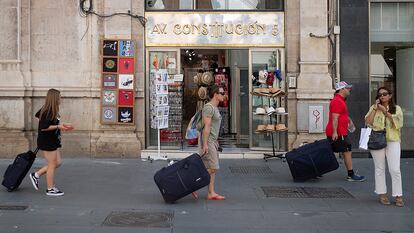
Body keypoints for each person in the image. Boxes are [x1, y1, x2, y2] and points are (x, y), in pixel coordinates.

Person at [29, 89, 73, 196]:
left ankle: (36, 175)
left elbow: (38, 116)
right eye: (59, 97)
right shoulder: (48, 110)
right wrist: (58, 126)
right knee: (52, 165)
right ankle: (50, 189)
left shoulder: (50, 109)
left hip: (52, 140)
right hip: (47, 141)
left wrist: (62, 125)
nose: (61, 98)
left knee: (57, 162)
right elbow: (44, 127)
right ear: (55, 98)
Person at [365, 87, 404, 207]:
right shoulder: (374, 108)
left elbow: (398, 124)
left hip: (392, 140)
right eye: (380, 94)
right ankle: (382, 194)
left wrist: (385, 112)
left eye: (385, 94)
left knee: (395, 169)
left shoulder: (396, 109)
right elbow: (368, 122)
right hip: (377, 140)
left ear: (390, 96)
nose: (382, 96)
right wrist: (376, 109)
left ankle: (398, 195)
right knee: (379, 169)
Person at [326, 81, 365, 181]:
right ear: (342, 89)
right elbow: (335, 118)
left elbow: (341, 115)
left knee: (330, 151)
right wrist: (335, 132)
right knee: (347, 151)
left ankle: (314, 168)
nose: (349, 89)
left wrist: (349, 120)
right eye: (347, 88)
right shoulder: (338, 101)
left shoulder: (340, 100)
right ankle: (351, 175)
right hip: (339, 133)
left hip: (340, 131)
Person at [199, 85, 226, 200]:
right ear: (215, 94)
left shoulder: (215, 108)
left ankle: (211, 193)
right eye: (221, 93)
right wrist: (205, 144)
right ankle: (193, 181)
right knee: (214, 167)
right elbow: (207, 127)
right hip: (208, 141)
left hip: (213, 141)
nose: (223, 95)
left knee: (212, 169)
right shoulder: (209, 108)